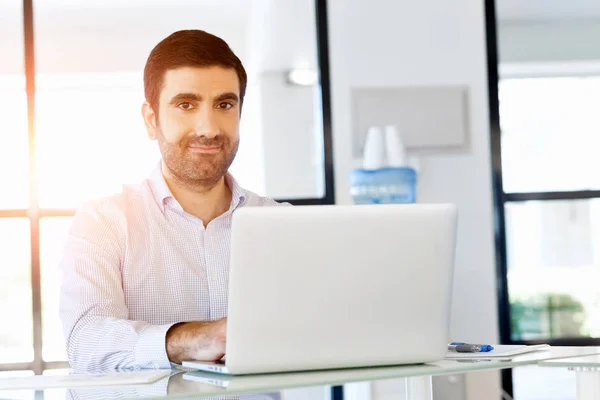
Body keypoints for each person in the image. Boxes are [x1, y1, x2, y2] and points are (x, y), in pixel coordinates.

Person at [59, 29, 283, 372]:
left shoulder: (279, 224)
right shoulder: (104, 220)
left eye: (224, 104)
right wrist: (191, 339)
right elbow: (86, 342)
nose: (208, 128)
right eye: (186, 105)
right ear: (152, 120)